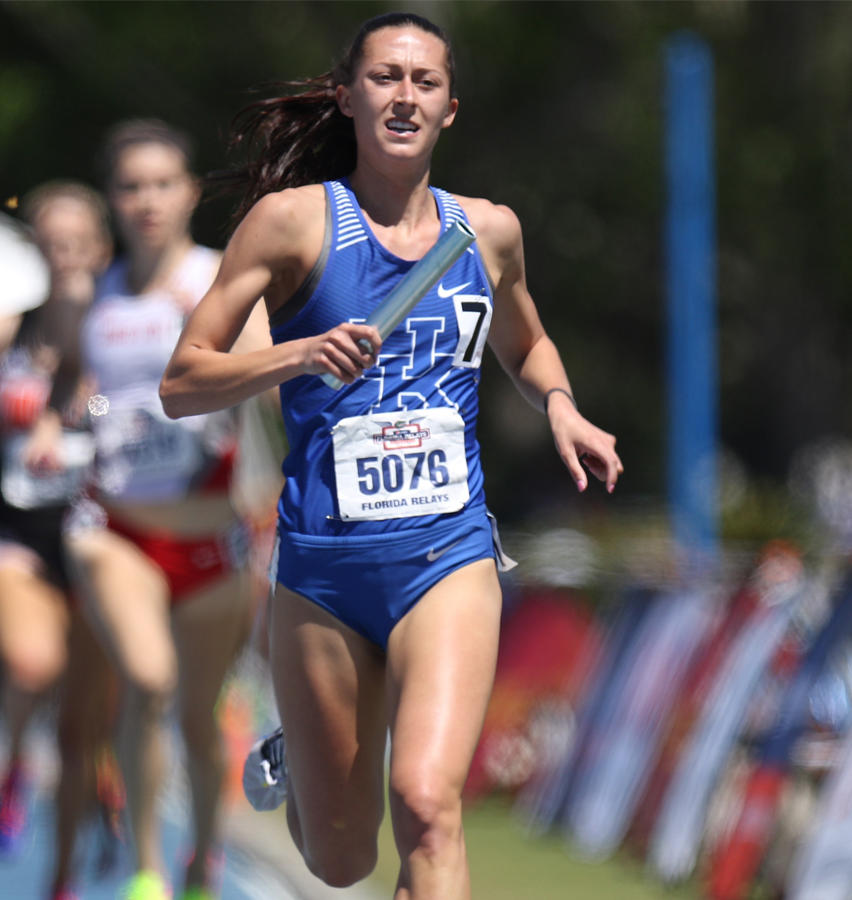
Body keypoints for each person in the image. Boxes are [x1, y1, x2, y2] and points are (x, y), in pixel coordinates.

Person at [160, 13, 623, 899]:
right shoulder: (291, 225)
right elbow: (182, 381)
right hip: (323, 573)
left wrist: (561, 406)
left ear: (451, 109)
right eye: (384, 78)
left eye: (425, 82)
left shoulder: (486, 233)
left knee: (426, 804)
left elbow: (526, 346)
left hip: (445, 557)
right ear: (348, 96)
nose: (404, 95)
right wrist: (298, 353)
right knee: (341, 861)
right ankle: (302, 749)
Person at [62, 120, 269, 900]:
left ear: (189, 193)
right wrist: (66, 419)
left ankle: (203, 857)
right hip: (117, 530)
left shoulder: (224, 279)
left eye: (161, 184)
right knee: (145, 683)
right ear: (112, 199)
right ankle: (148, 865)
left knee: (197, 716)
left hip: (212, 536)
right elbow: (62, 397)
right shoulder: (93, 298)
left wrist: (231, 365)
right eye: (130, 186)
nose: (146, 200)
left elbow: (274, 383)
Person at [0, 181, 118, 900]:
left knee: (84, 728)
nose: (65, 251)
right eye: (52, 238)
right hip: (17, 532)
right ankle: (11, 762)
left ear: (101, 249)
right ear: (35, 246)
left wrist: (86, 398)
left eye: (79, 239)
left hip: (102, 539)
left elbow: (141, 410)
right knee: (30, 664)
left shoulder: (123, 336)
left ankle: (63, 875)